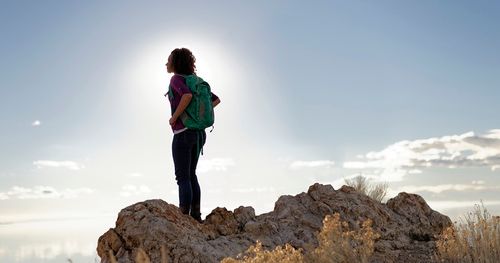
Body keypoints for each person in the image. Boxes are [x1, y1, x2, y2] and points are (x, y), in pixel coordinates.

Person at [165, 48, 220, 223]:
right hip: (199, 134)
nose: (166, 63)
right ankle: (196, 216)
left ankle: (184, 218)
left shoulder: (176, 79)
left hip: (183, 134)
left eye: (168, 60)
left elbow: (187, 96)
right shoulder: (197, 81)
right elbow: (215, 100)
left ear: (175, 62)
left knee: (183, 177)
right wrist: (198, 117)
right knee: (191, 175)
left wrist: (174, 118)